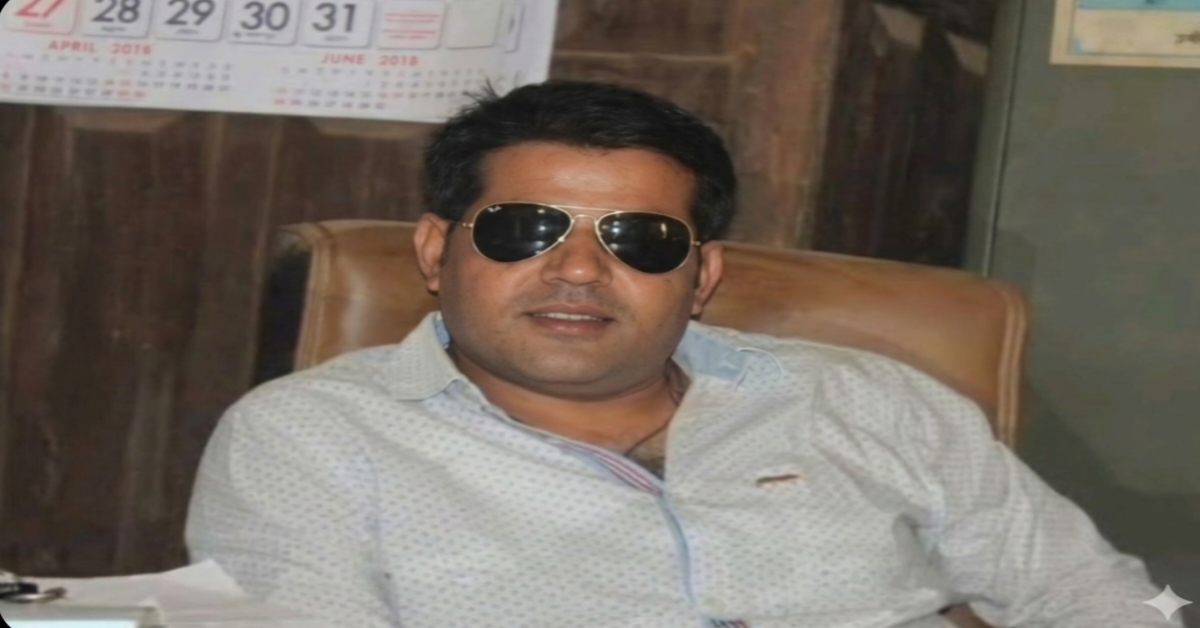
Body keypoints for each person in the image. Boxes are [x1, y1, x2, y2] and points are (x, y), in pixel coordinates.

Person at [186, 81, 1177, 628]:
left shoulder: (867, 400)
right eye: (526, 229)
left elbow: (1094, 595)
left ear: (701, 275)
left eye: (639, 239)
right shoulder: (310, 440)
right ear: (438, 250)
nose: (578, 271)